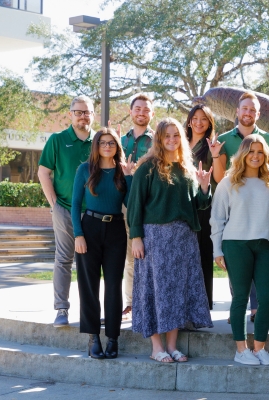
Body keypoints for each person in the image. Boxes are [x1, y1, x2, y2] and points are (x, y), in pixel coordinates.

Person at [127, 118, 213, 363]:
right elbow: (135, 205)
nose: (172, 140)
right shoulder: (148, 167)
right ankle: (157, 348)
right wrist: (136, 237)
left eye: (176, 135)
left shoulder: (187, 168)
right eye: (167, 136)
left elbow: (198, 205)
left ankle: (173, 346)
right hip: (155, 237)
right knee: (154, 291)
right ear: (159, 139)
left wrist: (205, 187)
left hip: (184, 238)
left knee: (176, 292)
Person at [210, 135, 269, 366]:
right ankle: (240, 349)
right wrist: (217, 250)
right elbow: (217, 219)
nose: (255, 156)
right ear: (243, 153)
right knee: (240, 297)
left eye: (260, 152)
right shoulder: (229, 182)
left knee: (266, 298)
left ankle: (259, 348)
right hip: (236, 244)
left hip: (265, 244)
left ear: (265, 156)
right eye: (251, 151)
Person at [213, 91, 269, 321]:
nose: (247, 113)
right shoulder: (224, 140)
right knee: (236, 260)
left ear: (258, 114)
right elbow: (220, 179)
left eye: (252, 110)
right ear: (237, 112)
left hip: (263, 208)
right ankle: (238, 305)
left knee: (259, 258)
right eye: (244, 108)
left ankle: (256, 309)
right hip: (233, 204)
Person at [71, 127, 134, 359]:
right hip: (89, 229)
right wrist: (78, 234)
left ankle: (113, 338)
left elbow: (130, 203)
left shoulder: (122, 171)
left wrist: (128, 177)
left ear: (117, 146)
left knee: (113, 286)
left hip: (116, 229)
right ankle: (93, 337)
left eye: (111, 143)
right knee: (89, 286)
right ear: (96, 146)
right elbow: (76, 204)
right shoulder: (85, 170)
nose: (107, 146)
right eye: (102, 143)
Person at [38, 95, 95, 327]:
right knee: (63, 259)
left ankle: (90, 312)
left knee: (90, 263)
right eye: (78, 112)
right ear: (70, 114)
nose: (83, 116)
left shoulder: (100, 141)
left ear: (93, 114)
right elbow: (44, 172)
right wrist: (54, 204)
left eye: (87, 112)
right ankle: (61, 309)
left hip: (93, 212)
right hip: (64, 209)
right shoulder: (58, 140)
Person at [120, 93, 155, 320]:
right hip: (122, 206)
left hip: (149, 206)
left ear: (152, 114)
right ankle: (131, 303)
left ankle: (148, 302)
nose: (141, 112)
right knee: (129, 257)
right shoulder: (120, 141)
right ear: (131, 111)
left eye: (146, 109)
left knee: (148, 256)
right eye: (138, 108)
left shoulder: (157, 141)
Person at [185, 104, 220, 310]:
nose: (199, 122)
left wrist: (215, 155)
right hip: (181, 205)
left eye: (203, 119)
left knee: (203, 253)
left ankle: (204, 303)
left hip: (204, 204)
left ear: (209, 123)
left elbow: (218, 178)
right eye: (195, 118)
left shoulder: (212, 145)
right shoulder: (178, 142)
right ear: (189, 121)